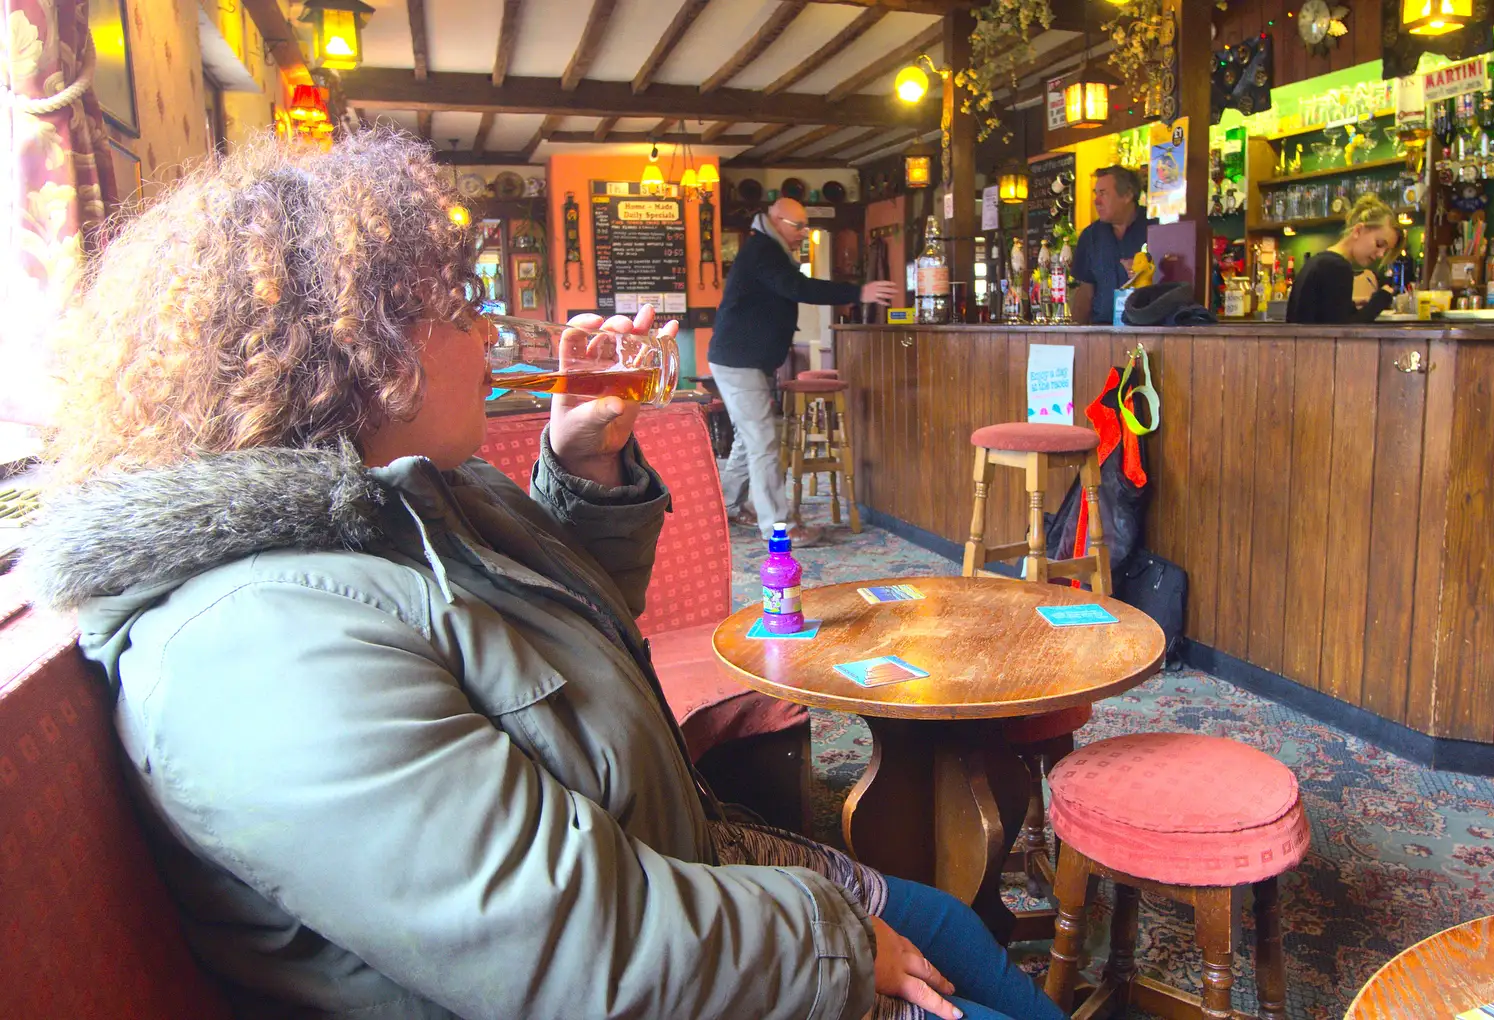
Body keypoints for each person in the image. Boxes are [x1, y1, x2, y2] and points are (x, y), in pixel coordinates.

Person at [23, 133, 1064, 1020]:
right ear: (348, 354)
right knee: (934, 970)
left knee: (933, 919)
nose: (490, 328)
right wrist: (836, 949)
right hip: (619, 951)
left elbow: (540, 645)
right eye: (454, 304)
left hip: (665, 858)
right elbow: (578, 949)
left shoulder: (406, 494)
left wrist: (578, 467)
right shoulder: (251, 647)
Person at [709, 197, 897, 547]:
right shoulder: (763, 250)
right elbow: (798, 288)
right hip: (739, 361)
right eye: (799, 226)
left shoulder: (767, 248)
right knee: (764, 440)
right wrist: (859, 291)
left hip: (744, 359)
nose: (804, 233)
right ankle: (779, 528)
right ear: (777, 220)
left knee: (749, 437)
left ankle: (732, 506)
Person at [1285, 195, 1399, 324]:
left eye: (1386, 251)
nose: (1380, 254)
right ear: (1358, 230)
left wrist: (1350, 306)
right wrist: (1380, 300)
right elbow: (1344, 334)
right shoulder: (1337, 267)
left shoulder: (1319, 261)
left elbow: (1323, 317)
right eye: (1379, 244)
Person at [1070, 166, 1149, 325]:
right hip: (1101, 333)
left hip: (1148, 330)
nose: (1096, 201)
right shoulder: (1090, 236)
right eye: (1096, 194)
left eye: (1103, 194)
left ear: (1127, 194)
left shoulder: (1155, 228)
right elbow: (1085, 293)